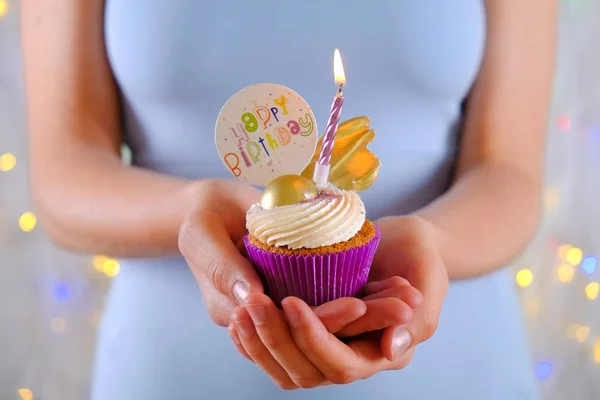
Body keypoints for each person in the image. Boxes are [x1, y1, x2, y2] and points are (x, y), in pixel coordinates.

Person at [21, 1, 556, 399]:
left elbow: (507, 171)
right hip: (175, 372)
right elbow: (65, 172)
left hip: (453, 368)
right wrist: (192, 210)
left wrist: (431, 242)